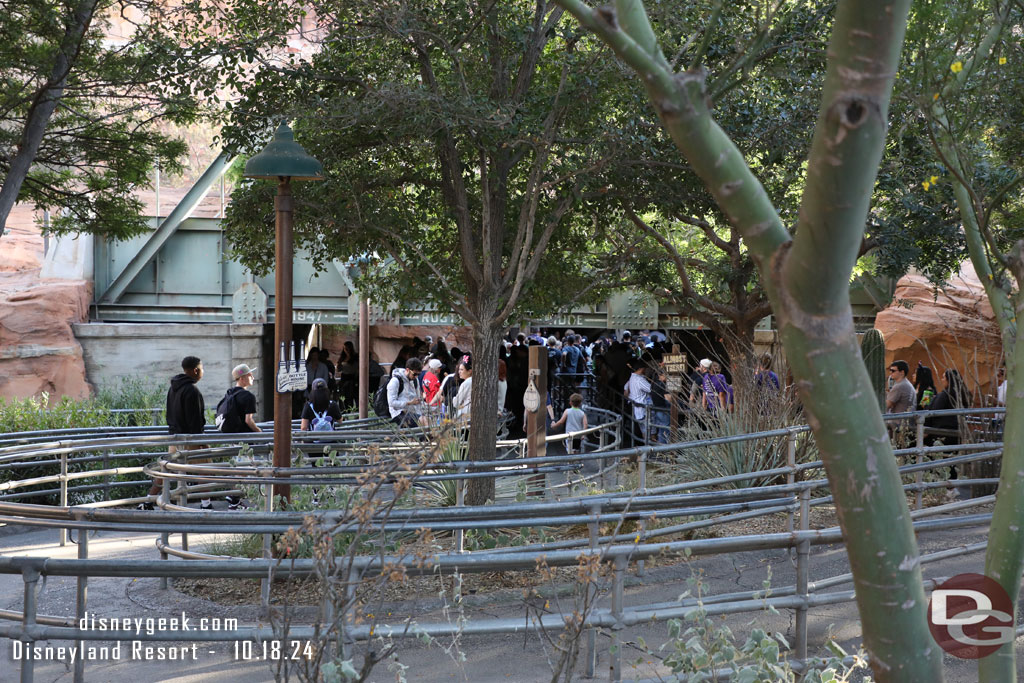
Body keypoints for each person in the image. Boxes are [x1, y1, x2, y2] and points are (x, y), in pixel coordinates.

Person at [145, 356, 208, 510]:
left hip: (174, 436)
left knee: (166, 470)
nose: (203, 372)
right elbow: (195, 421)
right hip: (189, 439)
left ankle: (147, 501)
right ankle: (206, 504)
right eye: (202, 368)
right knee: (206, 470)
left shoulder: (174, 388)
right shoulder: (192, 391)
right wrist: (201, 442)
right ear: (196, 370)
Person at [217, 364, 262, 434]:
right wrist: (259, 431)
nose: (253, 378)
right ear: (242, 379)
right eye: (250, 375)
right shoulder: (249, 396)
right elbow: (248, 420)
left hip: (232, 438)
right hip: (245, 438)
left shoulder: (229, 394)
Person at [387, 356, 424, 427]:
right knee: (423, 421)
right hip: (399, 413)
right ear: (407, 370)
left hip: (413, 412)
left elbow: (417, 399)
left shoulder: (415, 380)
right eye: (415, 374)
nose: (416, 377)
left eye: (418, 375)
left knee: (427, 421)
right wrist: (409, 403)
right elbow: (391, 403)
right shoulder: (395, 381)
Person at [453, 355, 474, 420]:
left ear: (469, 371)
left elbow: (456, 403)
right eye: (459, 369)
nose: (459, 372)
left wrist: (454, 398)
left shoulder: (466, 383)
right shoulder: (475, 381)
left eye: (462, 369)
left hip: (465, 415)